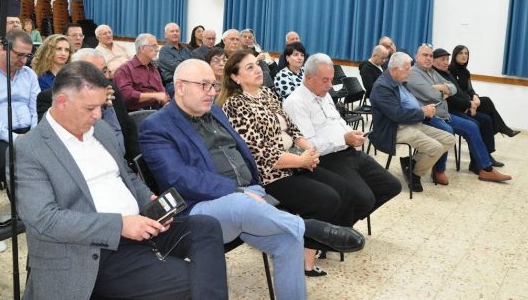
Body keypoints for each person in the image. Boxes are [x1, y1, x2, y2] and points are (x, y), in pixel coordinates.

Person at [138, 59, 365, 298]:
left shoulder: (214, 111)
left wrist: (253, 187)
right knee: (244, 205)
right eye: (204, 85)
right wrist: (238, 191)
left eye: (213, 85)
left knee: (289, 240)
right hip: (200, 208)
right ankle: (307, 226)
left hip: (250, 196)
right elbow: (180, 179)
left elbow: (244, 151)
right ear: (180, 87)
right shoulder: (156, 127)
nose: (212, 92)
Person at [12, 60, 228, 300]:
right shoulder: (30, 149)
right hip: (91, 251)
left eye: (102, 106)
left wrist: (149, 201)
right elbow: (45, 220)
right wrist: (120, 225)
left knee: (206, 227)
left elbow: (126, 176)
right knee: (192, 280)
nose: (98, 115)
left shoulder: (100, 130)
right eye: (90, 108)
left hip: (139, 228)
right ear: (62, 102)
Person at [220, 50, 363, 276]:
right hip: (269, 174)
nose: (258, 70)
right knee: (326, 198)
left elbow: (293, 129)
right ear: (235, 77)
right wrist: (301, 160)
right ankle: (305, 258)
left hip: (294, 162)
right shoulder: (234, 105)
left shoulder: (267, 93)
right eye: (249, 67)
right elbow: (260, 153)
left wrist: (310, 151)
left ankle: (316, 244)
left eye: (256, 64)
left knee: (344, 189)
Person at [283, 53, 402, 226]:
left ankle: (341, 224)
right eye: (325, 80)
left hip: (347, 151)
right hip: (326, 159)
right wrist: (343, 139)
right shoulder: (296, 103)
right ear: (308, 77)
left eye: (331, 80)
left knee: (391, 186)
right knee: (364, 199)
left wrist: (352, 134)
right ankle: (335, 230)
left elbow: (338, 121)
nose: (330, 85)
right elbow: (308, 147)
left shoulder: (324, 94)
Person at [407, 45, 511, 184]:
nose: (428, 58)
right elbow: (434, 95)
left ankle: (486, 169)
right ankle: (439, 170)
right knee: (447, 131)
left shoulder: (431, 71)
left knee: (472, 126)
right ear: (416, 57)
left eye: (430, 55)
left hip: (443, 114)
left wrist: (442, 88)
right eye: (424, 55)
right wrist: (443, 91)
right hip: (427, 116)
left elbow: (453, 88)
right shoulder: (413, 73)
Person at [37, 48, 140, 168]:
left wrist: (135, 164)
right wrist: (96, 105)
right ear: (74, 74)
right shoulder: (50, 98)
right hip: (85, 165)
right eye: (94, 74)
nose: (102, 79)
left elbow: (127, 126)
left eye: (104, 71)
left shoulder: (111, 89)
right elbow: (55, 139)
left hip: (123, 164)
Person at [369, 52, 455, 192]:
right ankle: (415, 174)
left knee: (449, 139)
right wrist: (423, 112)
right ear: (394, 69)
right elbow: (397, 115)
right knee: (436, 148)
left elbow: (408, 107)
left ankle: (411, 162)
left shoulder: (400, 81)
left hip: (411, 123)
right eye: (407, 69)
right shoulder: (382, 87)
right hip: (393, 130)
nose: (410, 72)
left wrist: (424, 110)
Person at [0, 29, 39, 189]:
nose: (24, 60)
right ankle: (22, 204)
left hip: (30, 132)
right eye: (19, 55)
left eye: (28, 55)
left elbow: (35, 108)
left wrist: (34, 132)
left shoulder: (29, 74)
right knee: (14, 168)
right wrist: (14, 138)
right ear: (4, 48)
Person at [432, 48, 499, 167]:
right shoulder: (437, 74)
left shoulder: (448, 72)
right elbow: (449, 99)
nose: (446, 62)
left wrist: (471, 101)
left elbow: (459, 91)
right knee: (476, 123)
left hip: (462, 105)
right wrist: (468, 104)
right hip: (450, 110)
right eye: (443, 59)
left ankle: (485, 156)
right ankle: (478, 163)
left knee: (486, 119)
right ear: (433, 60)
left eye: (447, 59)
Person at [449, 45, 521, 137]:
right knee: (487, 102)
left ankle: (497, 130)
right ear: (455, 55)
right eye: (461, 53)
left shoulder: (466, 71)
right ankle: (500, 129)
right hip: (459, 103)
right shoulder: (450, 69)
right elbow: (456, 91)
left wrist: (475, 96)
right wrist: (470, 102)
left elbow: (470, 89)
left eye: (466, 53)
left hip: (468, 100)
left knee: (487, 109)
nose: (464, 55)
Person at [113, 33, 169, 111]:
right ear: (142, 48)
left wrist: (167, 103)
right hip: (137, 112)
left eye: (157, 46)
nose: (157, 49)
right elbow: (127, 95)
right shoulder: (124, 70)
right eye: (154, 46)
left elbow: (162, 92)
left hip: (156, 110)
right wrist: (155, 95)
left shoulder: (153, 69)